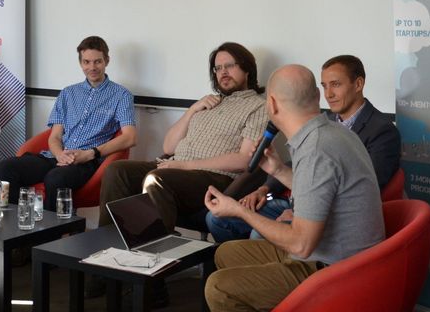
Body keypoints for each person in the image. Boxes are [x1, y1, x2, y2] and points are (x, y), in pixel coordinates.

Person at [203, 64, 384, 311]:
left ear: (272, 104)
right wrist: (278, 170)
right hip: (337, 257)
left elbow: (301, 244)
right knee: (225, 253)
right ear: (317, 96)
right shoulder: (331, 132)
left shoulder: (316, 150)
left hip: (335, 271)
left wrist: (239, 210)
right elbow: (318, 190)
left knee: (217, 287)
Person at [205, 54, 400, 242]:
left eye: (336, 84)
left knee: (257, 234)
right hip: (297, 201)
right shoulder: (326, 121)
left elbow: (362, 190)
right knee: (217, 219)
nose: (329, 94)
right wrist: (265, 188)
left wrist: (303, 215)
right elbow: (299, 164)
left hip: (331, 216)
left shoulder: (381, 130)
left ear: (358, 84)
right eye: (324, 86)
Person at [97, 42, 268, 233]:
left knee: (157, 179)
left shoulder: (258, 107)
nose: (223, 72)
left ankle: (155, 247)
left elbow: (244, 160)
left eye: (229, 65)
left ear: (247, 69)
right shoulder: (210, 102)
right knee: (116, 170)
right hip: (176, 166)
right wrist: (193, 109)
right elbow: (169, 147)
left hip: (214, 177)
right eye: (218, 68)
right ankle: (109, 242)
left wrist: (184, 165)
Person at [0, 36, 136, 211]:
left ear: (107, 61)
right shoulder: (68, 93)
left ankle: (52, 228)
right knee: (2, 169)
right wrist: (59, 154)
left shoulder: (121, 95)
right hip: (54, 156)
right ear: (80, 63)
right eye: (86, 62)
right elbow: (55, 136)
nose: (92, 67)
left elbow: (130, 138)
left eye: (97, 61)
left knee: (56, 178)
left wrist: (90, 154)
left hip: (86, 161)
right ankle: (19, 221)